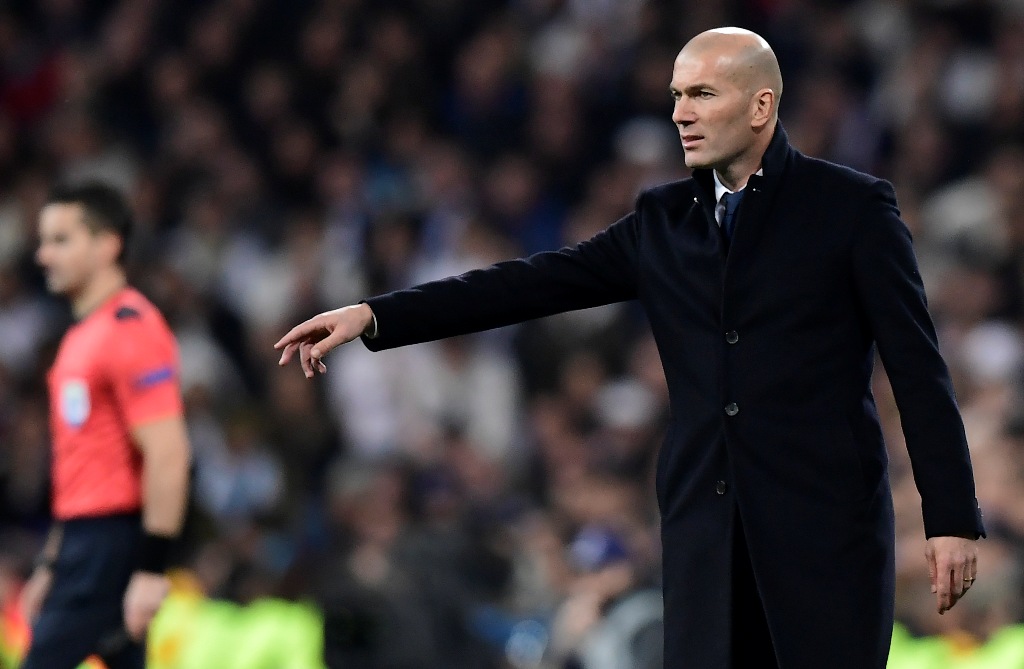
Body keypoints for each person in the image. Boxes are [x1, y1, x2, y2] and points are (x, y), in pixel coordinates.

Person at [275, 28, 984, 668]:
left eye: (702, 94)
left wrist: (949, 517)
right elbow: (528, 283)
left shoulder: (852, 209)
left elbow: (918, 368)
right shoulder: (661, 222)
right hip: (704, 536)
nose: (680, 113)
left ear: (762, 105)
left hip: (825, 538)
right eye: (677, 95)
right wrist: (374, 314)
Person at [19, 182, 191, 669]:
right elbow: (80, 465)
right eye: (43, 241)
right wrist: (53, 561)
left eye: (60, 240)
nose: (43, 255)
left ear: (108, 244)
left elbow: (168, 452)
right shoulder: (81, 337)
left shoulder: (131, 329)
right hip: (83, 539)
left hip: (110, 543)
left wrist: (152, 569)